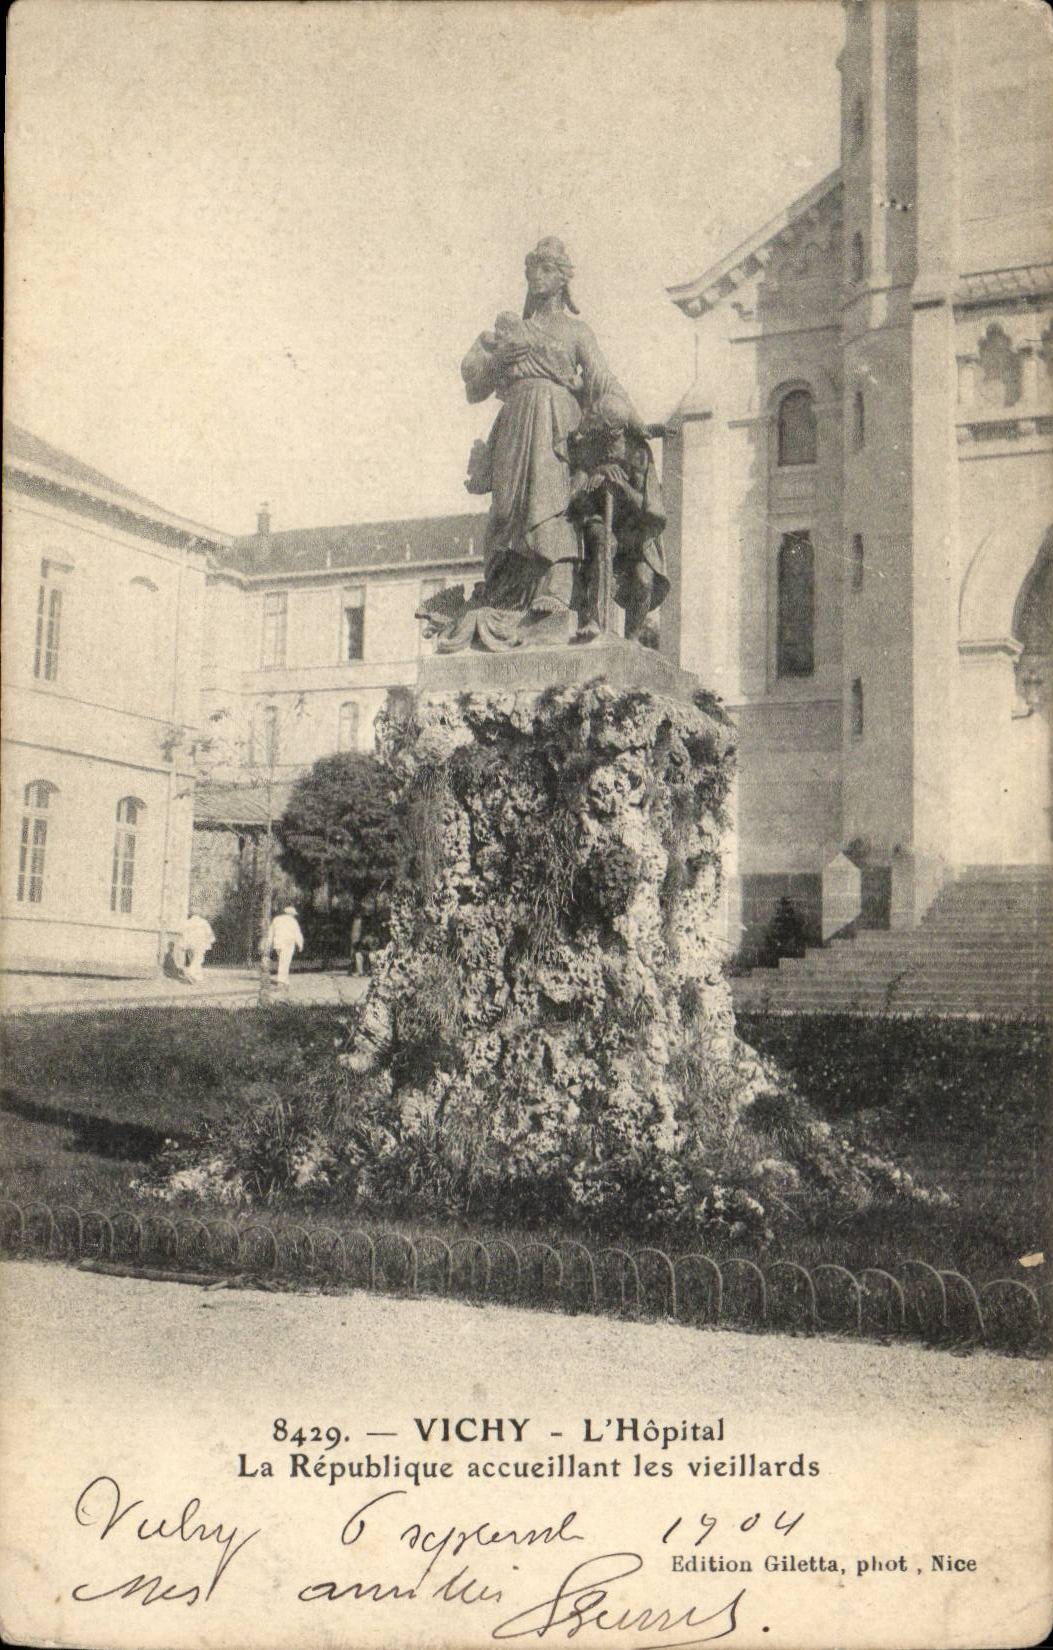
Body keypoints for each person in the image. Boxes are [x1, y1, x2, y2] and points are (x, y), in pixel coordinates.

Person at [460, 237, 640, 625]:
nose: (534, 277)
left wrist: (634, 419)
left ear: (562, 279)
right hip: (514, 421)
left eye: (544, 269)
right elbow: (475, 388)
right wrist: (498, 362)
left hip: (556, 421)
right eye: (530, 270)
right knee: (508, 507)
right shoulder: (508, 332)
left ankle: (556, 586)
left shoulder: (577, 332)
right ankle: (506, 591)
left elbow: (603, 382)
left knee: (549, 499)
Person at [568, 404, 669, 641]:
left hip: (633, 535)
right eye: (604, 432)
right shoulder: (589, 451)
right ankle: (595, 619)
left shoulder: (639, 455)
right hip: (598, 522)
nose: (610, 439)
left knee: (644, 577)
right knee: (604, 542)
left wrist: (622, 487)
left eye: (615, 433)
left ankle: (632, 637)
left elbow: (652, 509)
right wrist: (598, 473)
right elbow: (573, 495)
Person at [264, 904, 304, 985]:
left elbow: (271, 932)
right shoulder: (293, 921)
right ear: (291, 914)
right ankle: (281, 980)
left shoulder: (276, 919)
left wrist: (269, 943)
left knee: (282, 960)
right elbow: (297, 934)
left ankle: (284, 979)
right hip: (288, 943)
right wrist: (300, 944)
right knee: (285, 961)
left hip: (278, 944)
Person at [180, 909, 215, 984]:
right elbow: (209, 933)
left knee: (193, 959)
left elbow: (184, 934)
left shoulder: (187, 922)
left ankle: (197, 977)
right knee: (198, 959)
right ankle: (191, 972)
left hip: (189, 944)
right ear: (199, 914)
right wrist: (210, 941)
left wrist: (183, 944)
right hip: (200, 943)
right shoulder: (203, 922)